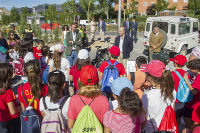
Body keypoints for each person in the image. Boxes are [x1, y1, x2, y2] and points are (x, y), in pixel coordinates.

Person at [141, 60, 176, 132]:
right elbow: (172, 108)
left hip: (151, 130)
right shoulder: (172, 90)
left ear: (149, 78)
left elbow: (143, 118)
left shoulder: (147, 96)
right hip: (167, 128)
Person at [0, 63, 21, 133]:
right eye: (11, 73)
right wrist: (22, 106)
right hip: (10, 121)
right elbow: (13, 111)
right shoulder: (7, 91)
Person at [169, 55, 188, 128]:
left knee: (172, 119)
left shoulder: (172, 74)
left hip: (174, 100)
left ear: (175, 63)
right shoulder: (186, 74)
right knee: (178, 118)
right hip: (183, 100)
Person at [183, 59, 200, 132]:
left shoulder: (199, 77)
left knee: (193, 122)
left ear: (196, 69)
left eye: (191, 69)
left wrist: (186, 81)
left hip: (195, 104)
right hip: (196, 103)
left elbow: (194, 92)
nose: (190, 70)